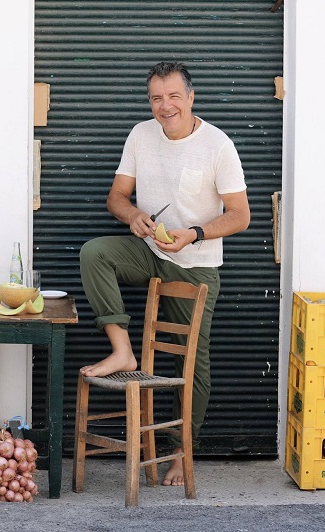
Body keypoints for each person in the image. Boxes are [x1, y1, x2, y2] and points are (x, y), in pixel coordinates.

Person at [79, 61, 250, 487]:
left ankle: (179, 453)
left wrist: (195, 234)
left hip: (196, 265)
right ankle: (122, 350)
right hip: (150, 251)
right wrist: (133, 215)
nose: (165, 105)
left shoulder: (218, 145)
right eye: (157, 98)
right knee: (95, 253)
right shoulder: (141, 134)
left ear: (191, 97)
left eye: (174, 96)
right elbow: (117, 197)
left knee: (191, 363)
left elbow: (240, 215)